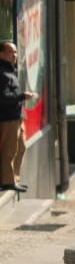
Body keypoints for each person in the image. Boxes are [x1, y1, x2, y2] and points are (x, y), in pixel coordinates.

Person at [0, 41, 28, 193]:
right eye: (12, 52)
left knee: (22, 147)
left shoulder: (10, 71)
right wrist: (22, 96)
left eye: (16, 52)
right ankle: (7, 181)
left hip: (17, 116)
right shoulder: (2, 73)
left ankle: (13, 178)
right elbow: (3, 96)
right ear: (2, 54)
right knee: (9, 150)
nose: (15, 55)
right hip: (8, 117)